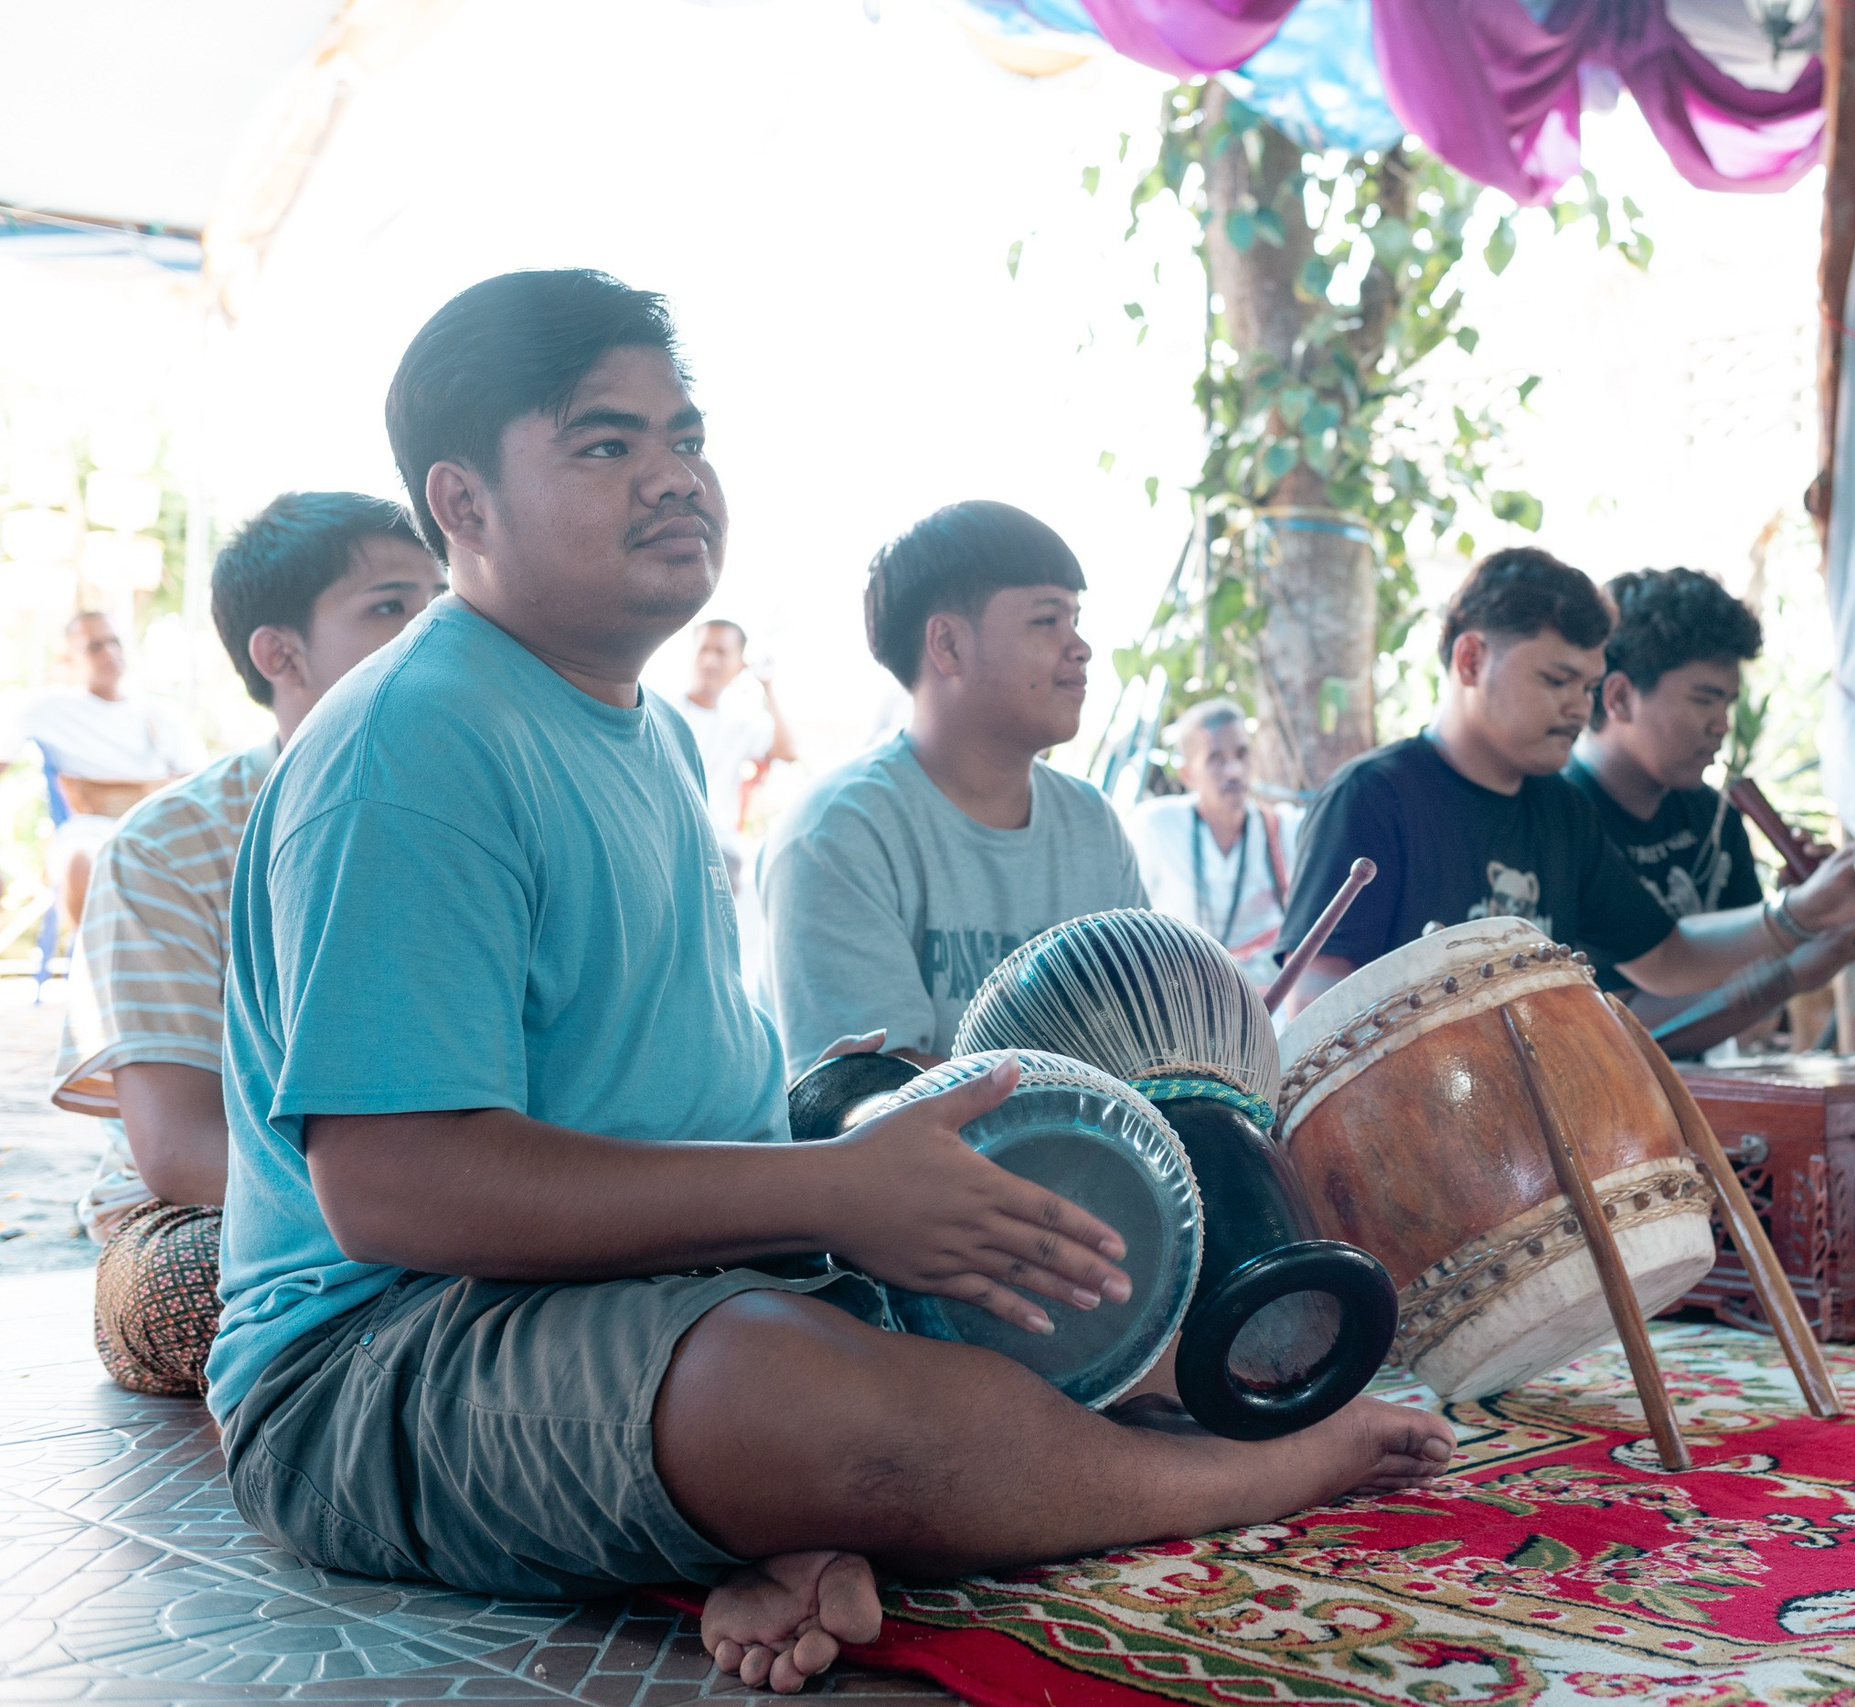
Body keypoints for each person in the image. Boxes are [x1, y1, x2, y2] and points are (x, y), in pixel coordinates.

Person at [213, 271, 1451, 1697]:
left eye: (686, 436)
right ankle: (1217, 1478)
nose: (676, 477)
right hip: (381, 1354)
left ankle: (760, 1531)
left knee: (1040, 1250)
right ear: (464, 502)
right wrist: (829, 1193)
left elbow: (679, 1100)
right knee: (808, 1399)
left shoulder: (656, 737)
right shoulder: (413, 742)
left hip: (659, 1283)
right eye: (607, 445)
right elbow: (396, 1191)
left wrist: (871, 1164)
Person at [51, 492, 443, 1397]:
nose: (433, 634)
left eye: (440, 600)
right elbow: (179, 1147)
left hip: (475, 1197)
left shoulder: (490, 807)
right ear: (280, 653)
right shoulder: (169, 846)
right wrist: (432, 1207)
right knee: (175, 1290)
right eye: (390, 607)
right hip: (226, 1216)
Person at [1277, 548, 1855, 1016]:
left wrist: (1804, 913)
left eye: (1588, 686)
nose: (1578, 707)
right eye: (1555, 679)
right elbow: (1316, 1000)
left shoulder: (1562, 813)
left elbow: (1668, 959)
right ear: (1471, 661)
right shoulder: (1373, 799)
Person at [759, 500, 1151, 1070]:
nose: (1081, 648)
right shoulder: (839, 833)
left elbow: (1150, 1032)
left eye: (1076, 619)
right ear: (946, 645)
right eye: (1047, 620)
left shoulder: (1092, 823)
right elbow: (882, 1096)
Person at [1567, 567, 1855, 1047]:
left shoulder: (1713, 816)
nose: (1721, 726)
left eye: (1728, 705)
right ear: (1620, 697)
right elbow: (1620, 1031)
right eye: (1703, 700)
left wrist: (1800, 916)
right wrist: (1789, 960)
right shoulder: (1559, 821)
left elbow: (1755, 1019)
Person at [8, 612, 205, 935]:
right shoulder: (45, 709)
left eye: (114, 642)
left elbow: (200, 787)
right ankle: (97, 969)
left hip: (161, 827)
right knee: (78, 862)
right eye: (94, 646)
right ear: (69, 660)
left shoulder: (164, 714)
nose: (109, 653)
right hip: (91, 829)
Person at [1124, 698, 1300, 988]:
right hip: (1182, 999)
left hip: (1270, 1004)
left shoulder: (1283, 827)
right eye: (1216, 759)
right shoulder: (1156, 825)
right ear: (1187, 775)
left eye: (1242, 754)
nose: (1233, 771)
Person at [678, 616, 795, 876]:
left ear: (741, 664)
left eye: (721, 652)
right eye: (703, 649)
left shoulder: (741, 722)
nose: (710, 661)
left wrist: (768, 685)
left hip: (719, 847)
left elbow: (788, 752)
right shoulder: (662, 710)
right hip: (670, 839)